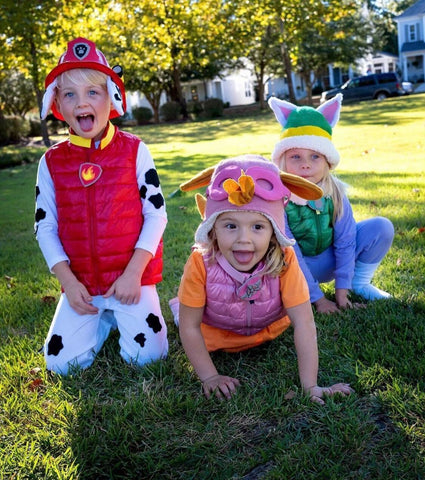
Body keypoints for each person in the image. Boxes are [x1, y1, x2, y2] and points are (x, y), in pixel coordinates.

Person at [34, 38, 168, 374]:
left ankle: (118, 314)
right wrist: (69, 282)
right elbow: (45, 226)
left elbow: (156, 214)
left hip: (130, 282)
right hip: (82, 285)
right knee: (61, 364)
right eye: (70, 95)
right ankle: (103, 320)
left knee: (148, 359)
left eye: (93, 92)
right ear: (58, 106)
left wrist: (133, 275)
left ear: (111, 99)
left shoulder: (135, 150)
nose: (82, 103)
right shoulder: (50, 162)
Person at [174, 155, 353, 403]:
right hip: (216, 335)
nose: (243, 239)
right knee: (181, 313)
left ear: (274, 231)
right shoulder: (200, 262)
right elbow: (189, 326)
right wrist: (209, 377)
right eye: (230, 225)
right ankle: (177, 304)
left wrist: (310, 386)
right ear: (213, 228)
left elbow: (304, 322)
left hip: (269, 329)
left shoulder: (286, 259)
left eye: (258, 226)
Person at [268, 93, 394, 315]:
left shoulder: (334, 192)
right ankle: (296, 293)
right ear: (282, 161)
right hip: (294, 268)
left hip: (330, 260)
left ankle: (360, 283)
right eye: (296, 157)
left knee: (381, 227)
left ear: (327, 161)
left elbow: (346, 242)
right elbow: (290, 253)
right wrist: (319, 300)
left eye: (315, 157)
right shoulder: (279, 198)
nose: (305, 165)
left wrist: (341, 294)